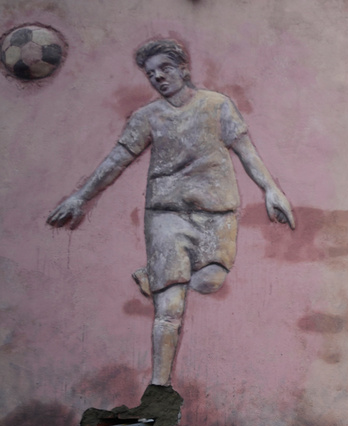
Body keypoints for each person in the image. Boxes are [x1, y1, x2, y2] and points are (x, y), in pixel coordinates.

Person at [47, 39, 294, 394]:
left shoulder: (217, 105)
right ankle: (159, 386)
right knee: (169, 307)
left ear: (183, 69)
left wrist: (271, 189)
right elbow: (117, 160)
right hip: (166, 215)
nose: (158, 77)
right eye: (151, 74)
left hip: (217, 212)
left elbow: (246, 150)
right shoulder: (147, 117)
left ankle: (155, 275)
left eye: (164, 68)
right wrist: (80, 197)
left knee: (210, 280)